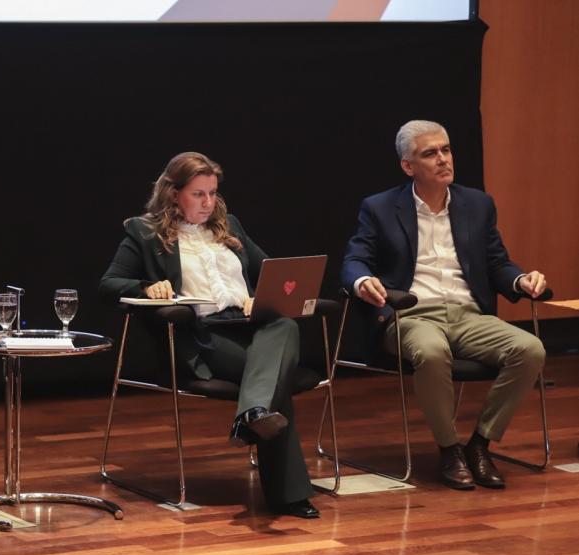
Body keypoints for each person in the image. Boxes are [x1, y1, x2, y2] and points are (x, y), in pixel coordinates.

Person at [100, 152, 318, 519]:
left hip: (251, 329)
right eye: (198, 194)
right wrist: (147, 286)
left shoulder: (228, 225)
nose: (208, 202)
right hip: (202, 336)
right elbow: (108, 285)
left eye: (213, 193)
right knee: (274, 379)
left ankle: (251, 414)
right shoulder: (144, 232)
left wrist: (259, 296)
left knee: (284, 325)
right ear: (174, 194)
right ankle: (287, 491)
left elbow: (272, 272)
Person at [341, 120, 547, 491]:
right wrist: (362, 281)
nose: (442, 159)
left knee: (530, 349)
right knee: (432, 353)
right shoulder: (381, 207)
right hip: (410, 314)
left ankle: (480, 444)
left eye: (446, 150)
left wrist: (520, 280)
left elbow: (497, 262)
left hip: (467, 314)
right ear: (408, 166)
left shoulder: (477, 204)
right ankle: (449, 449)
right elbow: (354, 259)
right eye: (430, 153)